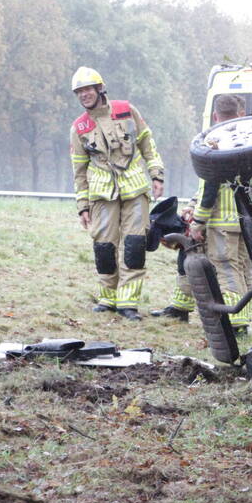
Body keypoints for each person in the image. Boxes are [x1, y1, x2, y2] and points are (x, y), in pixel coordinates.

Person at [152, 94, 252, 333]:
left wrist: (197, 221)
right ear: (240, 115)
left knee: (226, 270)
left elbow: (211, 188)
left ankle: (236, 323)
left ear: (215, 116)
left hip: (220, 222)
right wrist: (192, 205)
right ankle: (182, 306)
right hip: (246, 222)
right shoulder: (249, 141)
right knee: (242, 269)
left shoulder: (214, 141)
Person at [69, 66, 165, 321]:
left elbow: (147, 142)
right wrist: (83, 205)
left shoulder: (126, 109)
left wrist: (156, 173)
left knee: (134, 246)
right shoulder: (79, 127)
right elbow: (78, 170)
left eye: (87, 89)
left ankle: (128, 303)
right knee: (103, 248)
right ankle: (107, 299)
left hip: (134, 189)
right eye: (79, 92)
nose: (84, 95)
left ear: (100, 88)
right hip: (101, 195)